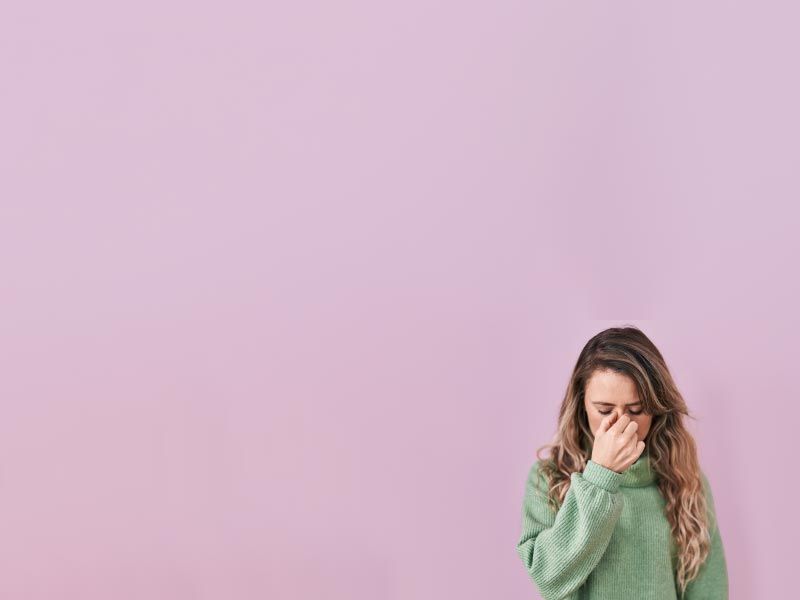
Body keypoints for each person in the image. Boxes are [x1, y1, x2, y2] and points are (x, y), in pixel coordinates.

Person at [515, 326, 729, 600]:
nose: (620, 423)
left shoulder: (684, 480)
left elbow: (708, 590)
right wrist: (600, 476)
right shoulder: (549, 477)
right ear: (582, 404)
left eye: (636, 410)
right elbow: (548, 578)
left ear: (656, 407)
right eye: (604, 410)